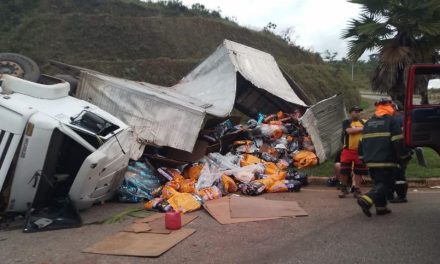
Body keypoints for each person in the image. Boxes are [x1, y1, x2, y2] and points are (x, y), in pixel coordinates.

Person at [357, 99, 411, 217]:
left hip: (370, 161)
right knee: (387, 183)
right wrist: (404, 156)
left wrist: (362, 158)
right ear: (390, 108)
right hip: (386, 160)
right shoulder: (391, 121)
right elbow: (398, 141)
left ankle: (381, 208)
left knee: (378, 183)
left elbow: (361, 142)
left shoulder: (368, 123)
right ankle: (366, 199)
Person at [338, 106, 368, 198]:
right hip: (348, 150)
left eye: (359, 111)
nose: (358, 113)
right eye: (355, 111)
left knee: (359, 171)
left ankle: (357, 189)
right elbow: (349, 131)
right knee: (344, 170)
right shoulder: (346, 122)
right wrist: (362, 129)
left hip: (360, 151)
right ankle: (343, 188)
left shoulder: (364, 122)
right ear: (350, 113)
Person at [389, 101, 409, 203]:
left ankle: (401, 196)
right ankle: (398, 194)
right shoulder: (403, 118)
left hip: (398, 151)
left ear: (395, 108)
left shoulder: (397, 120)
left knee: (398, 173)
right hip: (403, 151)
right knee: (398, 173)